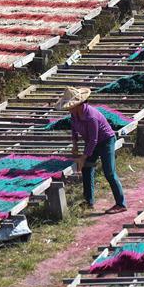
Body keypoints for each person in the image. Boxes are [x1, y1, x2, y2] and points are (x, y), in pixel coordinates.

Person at [55, 86, 127, 214]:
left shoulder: (91, 116)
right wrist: (75, 144)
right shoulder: (74, 115)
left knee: (109, 172)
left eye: (70, 106)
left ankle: (121, 203)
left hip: (105, 141)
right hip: (91, 143)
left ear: (78, 104)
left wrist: (83, 157)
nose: (68, 109)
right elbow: (74, 129)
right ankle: (89, 201)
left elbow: (94, 139)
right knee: (87, 168)